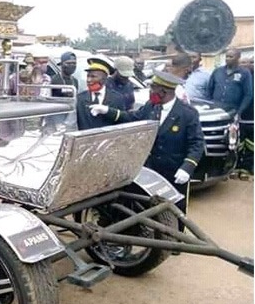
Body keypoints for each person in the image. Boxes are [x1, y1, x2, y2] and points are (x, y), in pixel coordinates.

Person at [89, 70, 205, 217]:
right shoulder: (151, 106)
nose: (150, 92)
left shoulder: (188, 114)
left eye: (152, 88)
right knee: (149, 207)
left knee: (175, 210)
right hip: (152, 170)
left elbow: (197, 143)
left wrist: (187, 167)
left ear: (163, 91)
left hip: (174, 172)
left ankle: (175, 239)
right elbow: (132, 117)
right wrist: (107, 111)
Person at [76, 57, 125, 130]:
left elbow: (122, 123)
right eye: (88, 76)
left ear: (104, 78)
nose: (89, 80)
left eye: (93, 77)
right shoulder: (79, 98)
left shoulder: (117, 98)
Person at [207, 47, 253, 118]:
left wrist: (239, 111)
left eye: (231, 57)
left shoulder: (245, 73)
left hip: (233, 111)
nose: (227, 59)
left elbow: (248, 95)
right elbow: (209, 89)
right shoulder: (217, 71)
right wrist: (210, 104)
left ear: (238, 58)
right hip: (215, 110)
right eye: (226, 56)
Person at [236, 55, 254, 178]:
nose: (247, 65)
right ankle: (236, 168)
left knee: (251, 145)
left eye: (251, 62)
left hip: (252, 120)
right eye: (243, 63)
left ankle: (247, 169)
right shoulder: (236, 79)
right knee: (237, 144)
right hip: (238, 119)